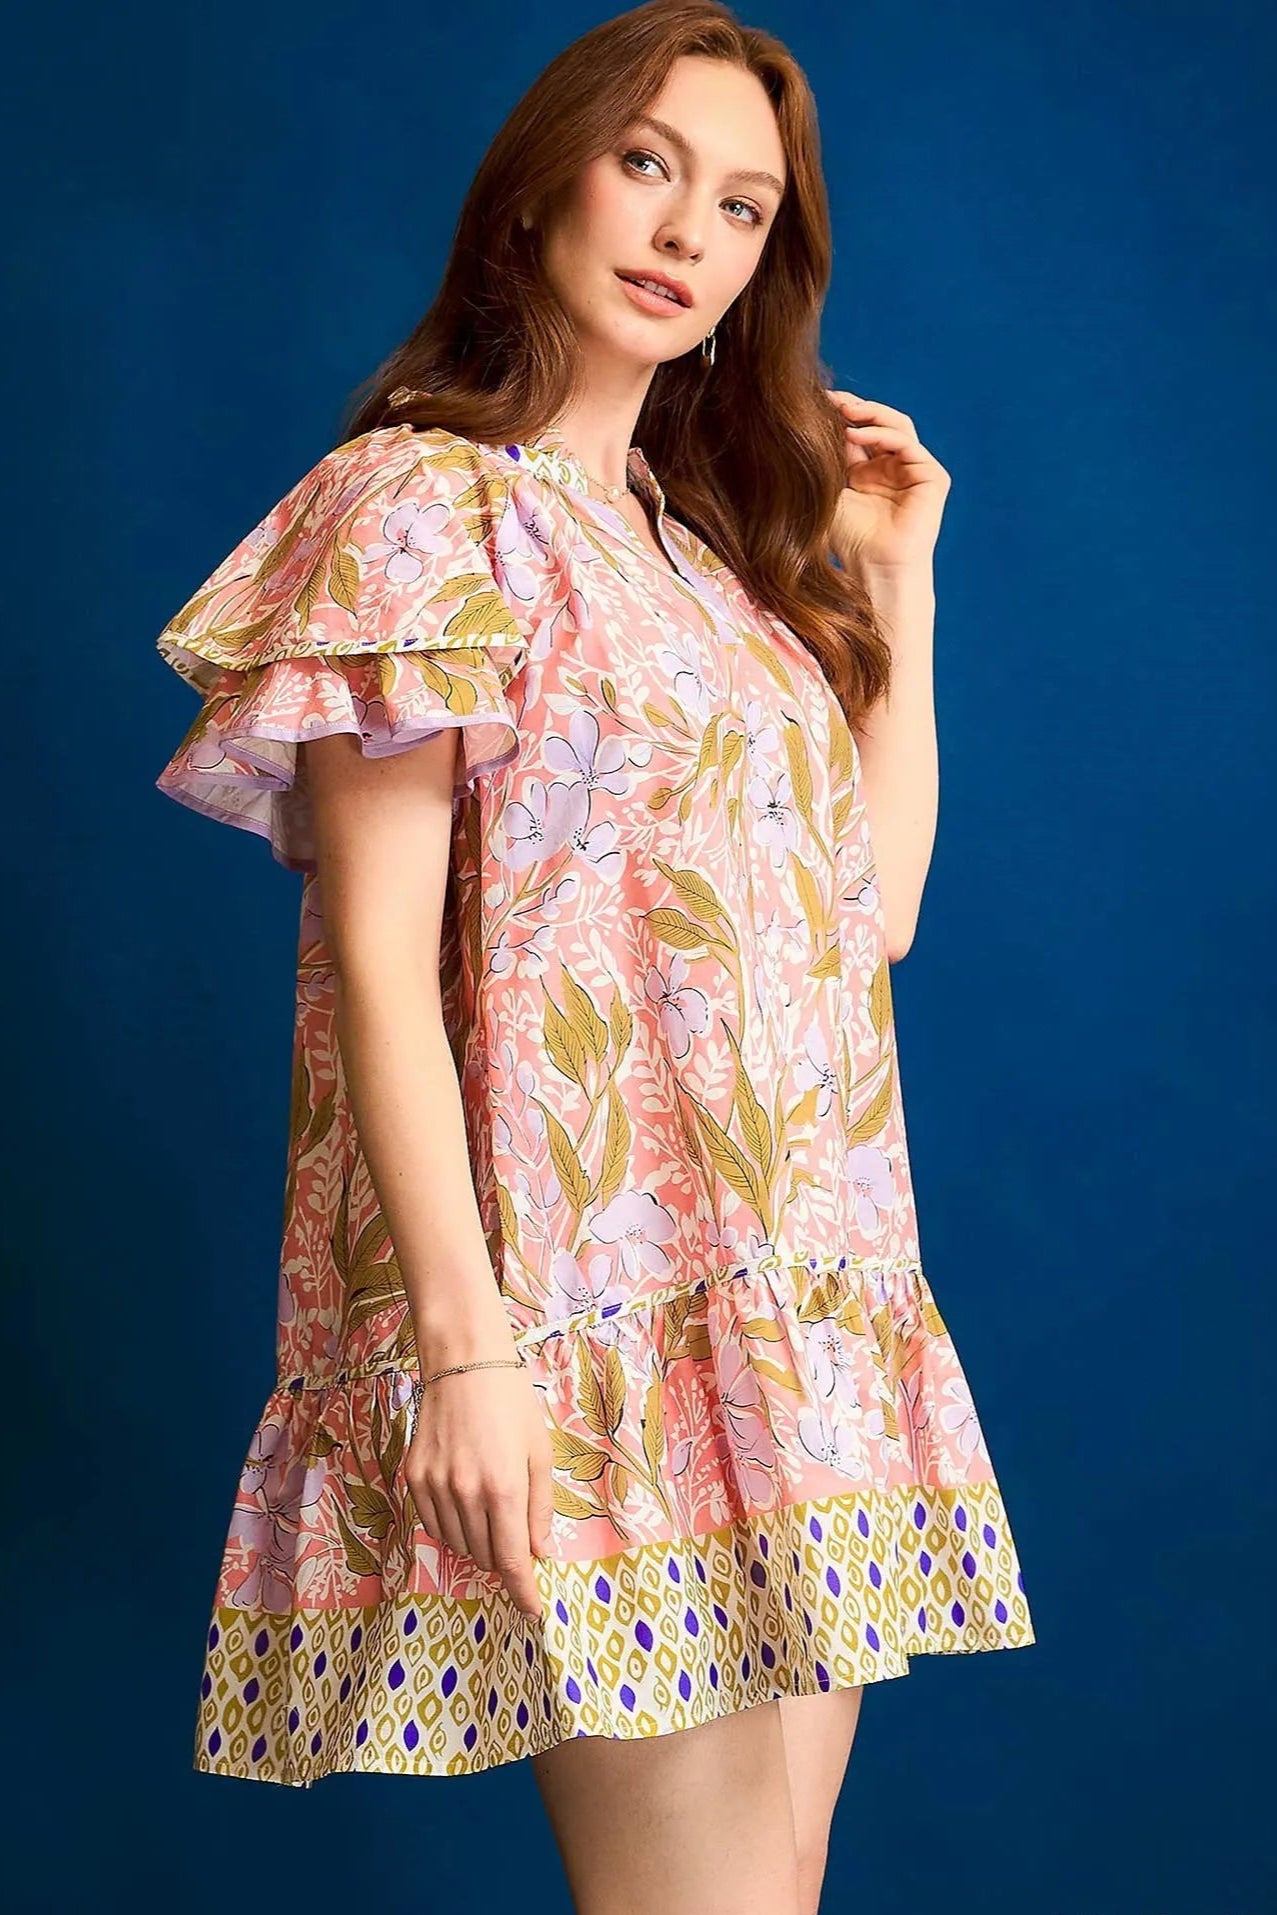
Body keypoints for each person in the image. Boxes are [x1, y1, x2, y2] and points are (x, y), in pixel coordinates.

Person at [154, 2, 1036, 1908]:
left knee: (770, 1886)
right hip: (586, 1330)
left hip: (798, 1317)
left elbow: (864, 917)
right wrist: (472, 1355)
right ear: (538, 184)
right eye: (647, 164)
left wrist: (899, 583)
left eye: (739, 204)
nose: (685, 232)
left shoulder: (708, 558)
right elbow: (381, 967)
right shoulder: (415, 509)